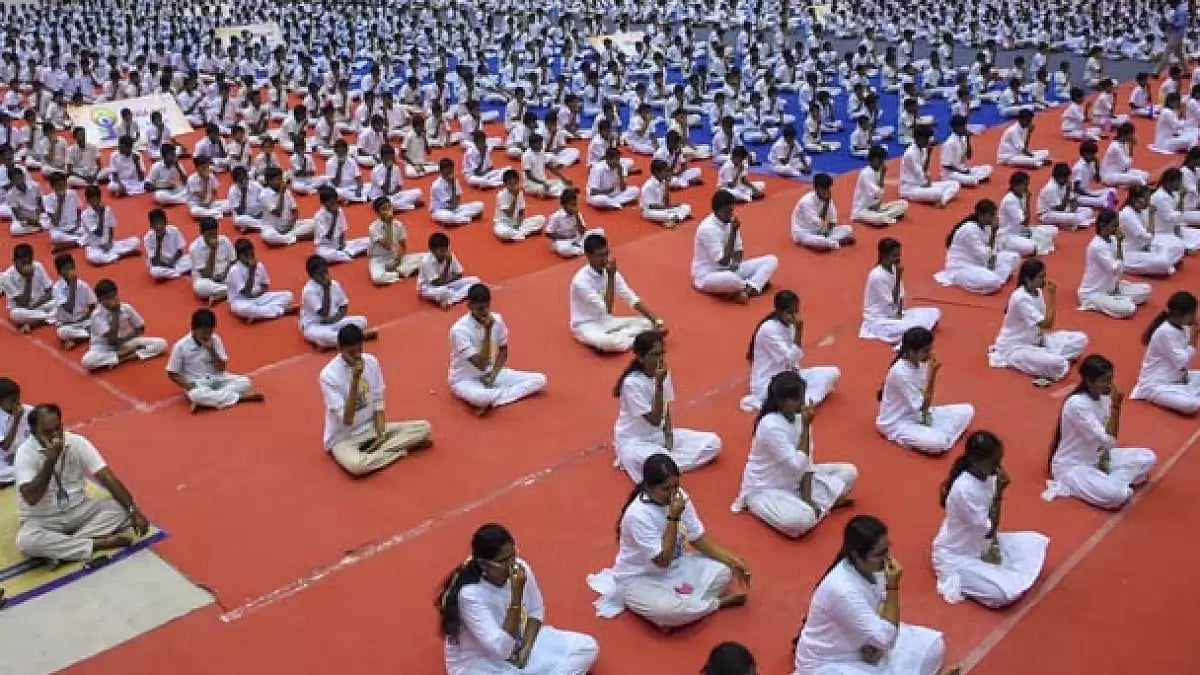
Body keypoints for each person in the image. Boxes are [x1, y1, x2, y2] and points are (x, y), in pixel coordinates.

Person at [588, 453, 751, 630]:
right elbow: (662, 561)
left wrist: (733, 560)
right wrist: (673, 517)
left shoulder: (679, 496)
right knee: (668, 611)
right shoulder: (638, 515)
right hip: (640, 579)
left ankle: (688, 607)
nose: (673, 493)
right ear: (649, 488)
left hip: (677, 565)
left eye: (676, 486)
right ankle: (715, 604)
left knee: (724, 572)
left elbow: (698, 539)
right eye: (666, 489)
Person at [793, 515, 959, 675]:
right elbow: (886, 638)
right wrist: (893, 587)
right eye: (880, 554)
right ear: (857, 556)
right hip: (830, 663)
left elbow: (879, 608)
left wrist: (874, 644)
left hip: (863, 647)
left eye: (888, 549)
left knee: (933, 647)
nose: (887, 558)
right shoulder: (842, 590)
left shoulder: (873, 568)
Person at [437, 523, 599, 675]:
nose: (512, 564)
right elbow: (501, 649)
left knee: (586, 647)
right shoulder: (470, 595)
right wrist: (516, 595)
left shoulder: (520, 568)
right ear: (484, 565)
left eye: (513, 556)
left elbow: (536, 609)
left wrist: (526, 649)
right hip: (482, 660)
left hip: (518, 641)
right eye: (503, 561)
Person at [14, 403, 150, 563]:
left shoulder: (76, 442)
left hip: (80, 509)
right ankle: (96, 543)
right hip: (44, 519)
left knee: (121, 508)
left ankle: (63, 549)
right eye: (48, 432)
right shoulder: (24, 453)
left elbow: (106, 476)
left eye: (58, 428)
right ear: (34, 432)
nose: (56, 436)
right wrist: (50, 461)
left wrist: (133, 510)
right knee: (27, 542)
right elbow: (31, 497)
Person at [732, 371, 857, 538]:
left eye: (802, 397)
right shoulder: (770, 425)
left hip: (795, 482)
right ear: (781, 402)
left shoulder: (801, 417)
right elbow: (797, 464)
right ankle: (818, 508)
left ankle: (813, 508)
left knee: (850, 472)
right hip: (766, 490)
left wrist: (808, 499)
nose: (802, 403)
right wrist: (806, 427)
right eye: (796, 399)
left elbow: (808, 464)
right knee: (803, 519)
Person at [932, 431, 1049, 608]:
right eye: (994, 462)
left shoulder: (987, 476)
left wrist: (992, 545)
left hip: (979, 542)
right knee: (1003, 594)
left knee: (1034, 542)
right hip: (957, 555)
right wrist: (999, 494)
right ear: (976, 462)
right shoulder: (964, 490)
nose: (998, 467)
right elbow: (989, 530)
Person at [1044, 355, 1157, 510]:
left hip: (1098, 457)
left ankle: (1109, 480)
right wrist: (1117, 407)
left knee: (1147, 457)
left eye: (1111, 379)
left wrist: (1104, 455)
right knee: (1118, 495)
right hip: (1073, 467)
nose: (1110, 385)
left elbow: (1107, 443)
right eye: (1105, 380)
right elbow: (1108, 440)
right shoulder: (1077, 405)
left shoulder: (1103, 398)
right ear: (1089, 381)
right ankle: (1113, 482)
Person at [319, 324, 432, 476]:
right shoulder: (328, 375)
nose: (357, 356)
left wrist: (380, 434)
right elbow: (347, 420)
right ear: (340, 349)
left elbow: (378, 403)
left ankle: (377, 452)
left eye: (359, 350)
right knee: (357, 466)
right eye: (351, 353)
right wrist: (355, 379)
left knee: (423, 427)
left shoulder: (371, 362)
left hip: (370, 428)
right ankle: (396, 452)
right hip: (343, 438)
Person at [612, 331, 721, 482]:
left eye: (662, 353)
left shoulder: (663, 372)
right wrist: (658, 385)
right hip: (635, 441)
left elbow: (666, 407)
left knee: (713, 443)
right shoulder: (631, 384)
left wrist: (668, 436)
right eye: (655, 355)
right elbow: (655, 419)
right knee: (660, 464)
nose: (660, 359)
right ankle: (663, 467)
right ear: (640, 357)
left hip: (658, 436)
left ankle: (665, 467)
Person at [449, 283, 548, 416]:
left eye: (487, 307)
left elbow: (503, 350)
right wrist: (488, 331)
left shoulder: (497, 319)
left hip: (491, 372)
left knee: (540, 380)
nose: (484, 312)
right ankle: (491, 398)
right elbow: (481, 364)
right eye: (480, 309)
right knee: (482, 398)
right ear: (470, 306)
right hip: (465, 379)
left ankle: (494, 399)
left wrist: (494, 374)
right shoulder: (459, 330)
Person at [876, 327, 975, 456]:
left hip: (920, 414)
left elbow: (924, 404)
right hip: (899, 423)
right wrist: (933, 375)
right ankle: (939, 436)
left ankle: (937, 434)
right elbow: (923, 405)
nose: (929, 354)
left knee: (968, 410)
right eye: (925, 351)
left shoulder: (920, 360)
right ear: (911, 352)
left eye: (930, 349)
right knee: (939, 442)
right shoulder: (900, 373)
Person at [990, 259, 1089, 384]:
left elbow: (1044, 327)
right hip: (1015, 348)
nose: (1044, 280)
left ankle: (1047, 357)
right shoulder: (1020, 298)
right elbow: (1047, 324)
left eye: (1044, 276)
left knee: (1081, 339)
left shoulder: (1038, 291)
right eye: (1040, 277)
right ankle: (1051, 359)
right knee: (1057, 363)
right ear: (1028, 279)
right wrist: (1052, 296)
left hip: (1039, 340)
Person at [741, 290, 840, 412]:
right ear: (778, 311)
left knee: (832, 372)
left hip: (789, 375)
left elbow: (794, 362)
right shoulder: (769, 330)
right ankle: (801, 404)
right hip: (769, 382)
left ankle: (801, 402)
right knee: (794, 389)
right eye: (789, 313)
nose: (795, 316)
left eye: (796, 311)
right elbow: (791, 358)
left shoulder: (791, 324)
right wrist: (799, 331)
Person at [569, 234, 665, 352]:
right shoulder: (580, 282)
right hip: (586, 325)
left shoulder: (610, 271)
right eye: (600, 255)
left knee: (647, 322)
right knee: (613, 343)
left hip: (606, 321)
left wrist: (657, 321)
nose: (605, 259)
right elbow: (608, 309)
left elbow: (630, 297)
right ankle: (638, 340)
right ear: (588, 256)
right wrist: (610, 276)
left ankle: (625, 338)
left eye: (607, 253)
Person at [166, 308, 264, 412]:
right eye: (203, 332)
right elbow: (172, 373)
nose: (207, 335)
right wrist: (189, 385)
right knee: (196, 395)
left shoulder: (215, 340)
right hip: (197, 383)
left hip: (218, 377)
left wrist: (211, 350)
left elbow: (222, 368)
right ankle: (239, 398)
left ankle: (210, 400)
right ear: (193, 329)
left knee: (245, 381)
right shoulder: (180, 346)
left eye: (210, 332)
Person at [692, 190, 778, 304]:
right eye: (727, 211)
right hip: (709, 275)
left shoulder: (730, 222)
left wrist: (736, 263)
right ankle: (750, 285)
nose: (731, 214)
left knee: (771, 260)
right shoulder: (707, 229)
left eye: (732, 210)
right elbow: (722, 262)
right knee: (729, 279)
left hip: (730, 268)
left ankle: (748, 288)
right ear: (717, 210)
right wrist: (733, 232)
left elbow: (739, 250)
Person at [860, 238, 941, 343]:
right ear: (884, 255)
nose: (898, 258)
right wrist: (898, 277)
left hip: (896, 313)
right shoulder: (877, 276)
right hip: (880, 318)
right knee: (912, 327)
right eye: (894, 256)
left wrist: (900, 313)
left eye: (899, 255)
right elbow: (890, 303)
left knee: (934, 312)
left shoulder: (894, 269)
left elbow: (900, 294)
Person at [1131, 290, 1199, 415]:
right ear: (1180, 314)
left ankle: (1186, 390)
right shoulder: (1165, 332)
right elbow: (1182, 361)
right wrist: (1194, 337)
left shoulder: (1181, 327)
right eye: (1192, 313)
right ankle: (1187, 392)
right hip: (1156, 385)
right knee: (1191, 405)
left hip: (1176, 378)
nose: (1195, 317)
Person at [934, 200, 1020, 295]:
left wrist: (994, 234)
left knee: (1013, 257)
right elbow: (986, 256)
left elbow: (995, 251)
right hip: (962, 268)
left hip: (980, 264)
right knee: (993, 281)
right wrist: (993, 233)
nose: (994, 218)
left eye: (994, 215)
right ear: (981, 215)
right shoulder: (969, 230)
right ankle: (992, 278)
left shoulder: (986, 226)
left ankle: (992, 277)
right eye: (991, 215)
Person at [1077, 209, 1152, 319]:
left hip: (1112, 287)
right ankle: (1113, 300)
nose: (1117, 229)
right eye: (1114, 226)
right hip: (1093, 293)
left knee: (1146, 289)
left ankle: (1115, 299)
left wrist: (1119, 243)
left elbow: (1121, 266)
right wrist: (1119, 243)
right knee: (1128, 308)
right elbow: (1115, 269)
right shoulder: (1097, 246)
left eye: (1117, 225)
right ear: (1103, 225)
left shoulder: (1113, 239)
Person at [80, 279, 167, 371]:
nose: (113, 300)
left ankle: (122, 359)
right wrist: (115, 313)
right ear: (100, 300)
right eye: (108, 298)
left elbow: (141, 328)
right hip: (103, 347)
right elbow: (112, 340)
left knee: (161, 343)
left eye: (114, 296)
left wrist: (127, 339)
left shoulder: (126, 307)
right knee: (87, 362)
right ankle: (127, 354)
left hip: (125, 342)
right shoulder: (96, 315)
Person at [300, 255, 378, 349]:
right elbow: (324, 313)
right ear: (312, 276)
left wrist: (335, 319)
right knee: (328, 335)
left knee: (362, 321)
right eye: (320, 274)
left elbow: (344, 307)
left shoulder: (335, 284)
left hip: (334, 321)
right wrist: (326, 289)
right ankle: (360, 337)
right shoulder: (309, 291)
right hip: (314, 326)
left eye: (325, 271)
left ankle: (327, 344)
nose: (324, 276)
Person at [226, 238, 297, 323]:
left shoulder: (259, 265)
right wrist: (251, 272)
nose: (249, 257)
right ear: (238, 256)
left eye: (251, 254)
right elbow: (246, 293)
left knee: (288, 295)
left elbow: (265, 286)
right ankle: (281, 311)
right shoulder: (235, 270)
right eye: (246, 255)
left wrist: (258, 294)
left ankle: (260, 313)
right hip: (241, 301)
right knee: (245, 309)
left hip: (259, 297)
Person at [417, 232, 482, 308]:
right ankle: (453, 297)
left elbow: (459, 274)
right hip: (429, 287)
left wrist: (449, 280)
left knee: (476, 281)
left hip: (447, 282)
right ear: (432, 250)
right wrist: (448, 264)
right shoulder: (426, 261)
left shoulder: (450, 255)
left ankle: (450, 299)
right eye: (441, 250)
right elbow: (436, 283)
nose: (444, 253)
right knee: (443, 291)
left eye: (445, 249)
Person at [791, 174, 855, 250]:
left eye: (828, 188)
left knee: (848, 229)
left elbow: (833, 220)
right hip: (804, 232)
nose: (827, 191)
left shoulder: (828, 199)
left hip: (822, 231)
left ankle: (829, 242)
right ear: (816, 188)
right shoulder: (807, 201)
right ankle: (835, 242)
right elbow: (815, 223)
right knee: (819, 241)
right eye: (824, 189)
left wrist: (830, 225)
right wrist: (826, 226)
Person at [367, 197, 423, 284]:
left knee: (426, 257)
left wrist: (397, 260)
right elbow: (387, 245)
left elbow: (403, 246)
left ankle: (398, 271)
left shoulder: (398, 224)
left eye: (389, 207)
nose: (388, 210)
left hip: (393, 256)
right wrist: (389, 224)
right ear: (378, 212)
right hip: (378, 259)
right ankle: (400, 273)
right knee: (377, 278)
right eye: (384, 209)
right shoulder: (373, 228)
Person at [3, 243, 56, 332]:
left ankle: (33, 323)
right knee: (15, 315)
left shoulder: (38, 266)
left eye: (29, 262)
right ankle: (51, 317)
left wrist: (35, 305)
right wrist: (29, 279)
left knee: (60, 301)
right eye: (23, 263)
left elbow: (50, 292)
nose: (27, 266)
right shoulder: (6, 277)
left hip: (39, 304)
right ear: (14, 261)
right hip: (21, 309)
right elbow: (23, 303)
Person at [189, 216, 235, 305]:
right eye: (210, 235)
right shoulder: (194, 248)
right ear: (202, 233)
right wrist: (213, 250)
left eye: (215, 234)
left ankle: (221, 294)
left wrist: (224, 274)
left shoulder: (225, 240)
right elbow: (207, 275)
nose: (213, 237)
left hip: (225, 275)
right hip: (207, 279)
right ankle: (233, 291)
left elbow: (232, 261)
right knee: (199, 287)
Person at [0, 378, 31, 486]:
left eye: (18, 398)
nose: (17, 403)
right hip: (5, 462)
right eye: (12, 401)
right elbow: (5, 447)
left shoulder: (30, 411)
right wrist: (16, 420)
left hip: (27, 456)